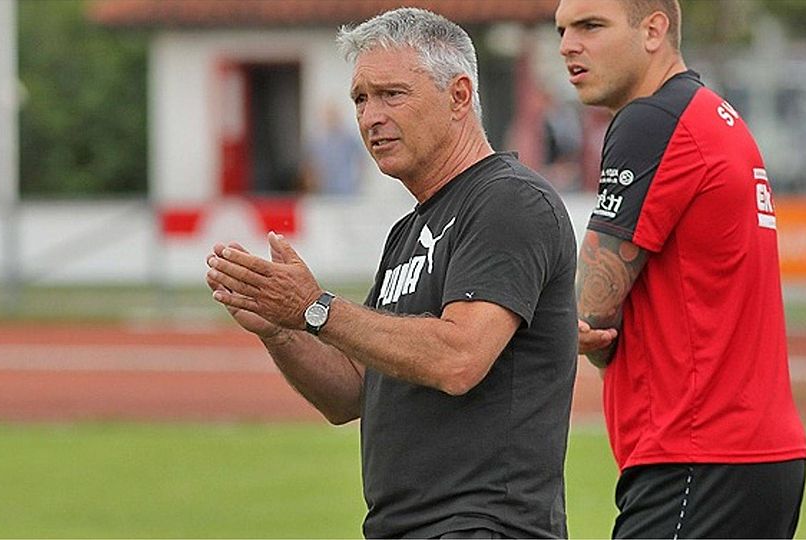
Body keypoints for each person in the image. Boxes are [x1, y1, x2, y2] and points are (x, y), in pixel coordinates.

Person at [206, 7, 578, 539]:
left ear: (459, 96)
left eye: (391, 95)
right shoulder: (408, 231)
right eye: (360, 98)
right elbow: (351, 395)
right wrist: (279, 328)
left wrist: (316, 309)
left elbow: (459, 357)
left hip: (483, 526)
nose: (369, 117)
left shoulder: (509, 201)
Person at [555, 0, 806, 538]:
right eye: (562, 30)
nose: (567, 46)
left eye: (590, 26)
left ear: (654, 30)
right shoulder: (713, 114)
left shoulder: (651, 120)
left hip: (698, 452)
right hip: (751, 452)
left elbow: (589, 313)